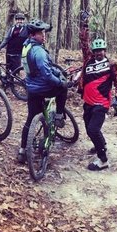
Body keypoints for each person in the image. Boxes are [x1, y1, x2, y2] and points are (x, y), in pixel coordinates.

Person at [17, 19, 75, 163]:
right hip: (43, 87)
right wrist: (61, 82)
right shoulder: (39, 52)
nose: (44, 36)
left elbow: (40, 68)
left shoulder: (26, 47)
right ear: (32, 35)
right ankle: (59, 116)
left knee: (30, 119)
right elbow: (47, 75)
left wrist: (55, 70)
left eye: (44, 32)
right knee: (62, 89)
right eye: (41, 33)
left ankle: (22, 151)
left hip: (32, 88)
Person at [79, 38, 117, 171]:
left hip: (101, 103)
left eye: (101, 51)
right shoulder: (88, 61)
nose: (99, 53)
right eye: (96, 51)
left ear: (105, 51)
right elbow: (84, 43)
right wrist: (84, 25)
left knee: (93, 129)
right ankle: (101, 144)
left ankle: (103, 160)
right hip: (88, 102)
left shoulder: (111, 64)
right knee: (88, 127)